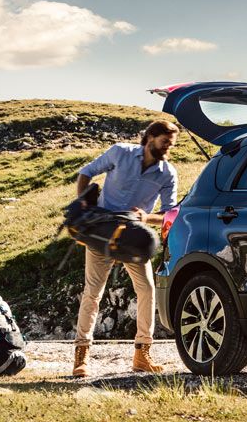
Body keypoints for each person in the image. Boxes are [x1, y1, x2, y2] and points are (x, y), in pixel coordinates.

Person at [71, 120, 179, 377]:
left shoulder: (167, 173)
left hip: (133, 238)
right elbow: (86, 172)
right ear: (151, 137)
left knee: (147, 290)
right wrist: (84, 209)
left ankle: (142, 354)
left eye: (171, 144)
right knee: (93, 293)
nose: (168, 148)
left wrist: (146, 218)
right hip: (102, 233)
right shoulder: (120, 152)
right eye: (165, 142)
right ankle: (81, 357)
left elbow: (169, 213)